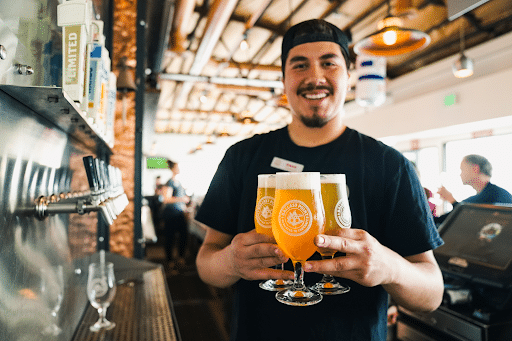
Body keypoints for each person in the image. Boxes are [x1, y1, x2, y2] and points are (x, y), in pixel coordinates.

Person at [194, 19, 444, 341]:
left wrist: (390, 267)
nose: (315, 77)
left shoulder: (391, 166)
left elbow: (432, 294)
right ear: (283, 80)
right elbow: (206, 263)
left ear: (348, 76)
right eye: (299, 65)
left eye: (329, 63)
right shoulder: (241, 157)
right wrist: (230, 262)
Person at [435, 154, 512, 225]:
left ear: (475, 169)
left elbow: (460, 215)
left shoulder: (492, 196)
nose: (460, 174)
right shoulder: (499, 193)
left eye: (462, 169)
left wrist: (450, 199)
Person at [162, 160, 190, 269]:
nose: (179, 169)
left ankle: (180, 258)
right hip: (170, 214)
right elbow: (166, 199)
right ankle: (169, 261)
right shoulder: (170, 182)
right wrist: (182, 199)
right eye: (178, 167)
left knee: (183, 236)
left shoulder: (179, 183)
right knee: (170, 237)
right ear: (173, 168)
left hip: (179, 213)